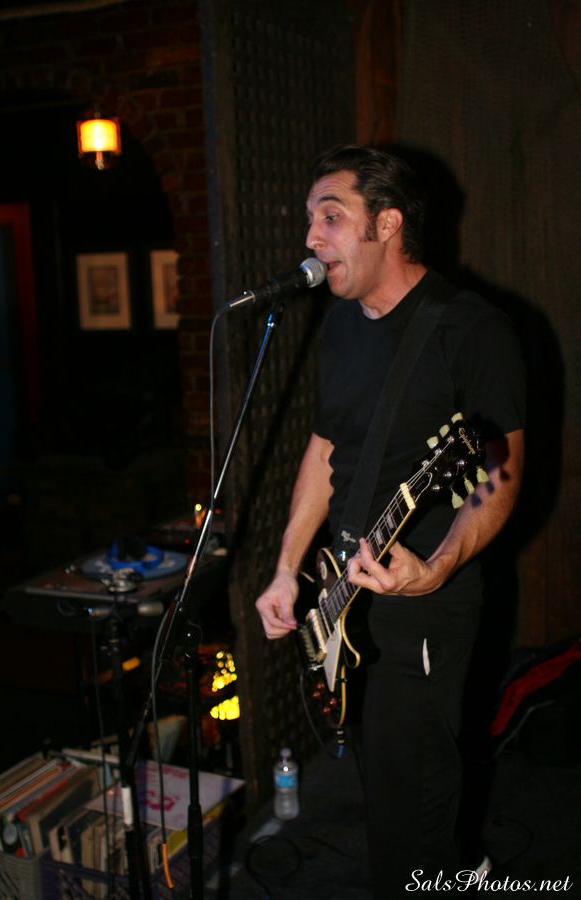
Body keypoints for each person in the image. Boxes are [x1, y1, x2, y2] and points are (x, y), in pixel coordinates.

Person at [255, 145, 525, 898]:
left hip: (422, 603)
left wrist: (434, 567)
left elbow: (502, 474)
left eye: (330, 217)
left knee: (412, 814)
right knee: (385, 784)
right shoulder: (340, 328)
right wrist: (288, 568)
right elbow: (325, 449)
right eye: (310, 218)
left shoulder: (470, 329)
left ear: (388, 224)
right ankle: (455, 868)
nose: (311, 237)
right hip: (344, 593)